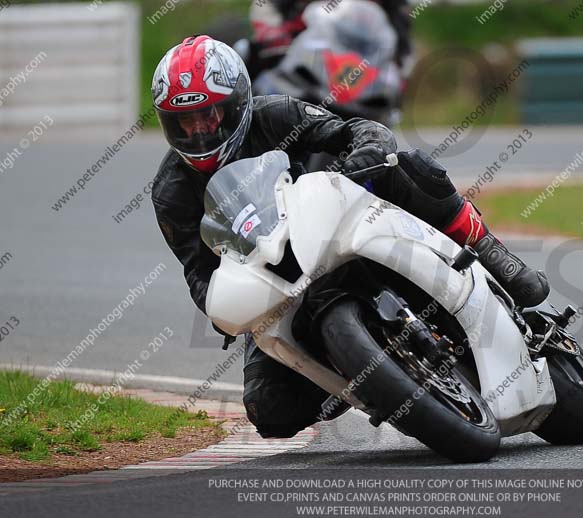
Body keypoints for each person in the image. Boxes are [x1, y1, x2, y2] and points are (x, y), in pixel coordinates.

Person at [150, 36, 549, 438]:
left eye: (209, 115)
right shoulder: (172, 191)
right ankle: (349, 373)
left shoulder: (275, 115)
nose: (198, 131)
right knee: (270, 412)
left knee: (408, 165)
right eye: (185, 121)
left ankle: (487, 247)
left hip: (339, 225)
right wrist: (223, 309)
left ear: (236, 104)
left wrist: (365, 150)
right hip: (278, 285)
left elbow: (355, 130)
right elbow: (197, 270)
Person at [246, 0, 411, 74]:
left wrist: (398, 59)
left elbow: (400, 27)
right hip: (304, 61)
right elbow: (266, 11)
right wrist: (275, 39)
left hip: (359, 67)